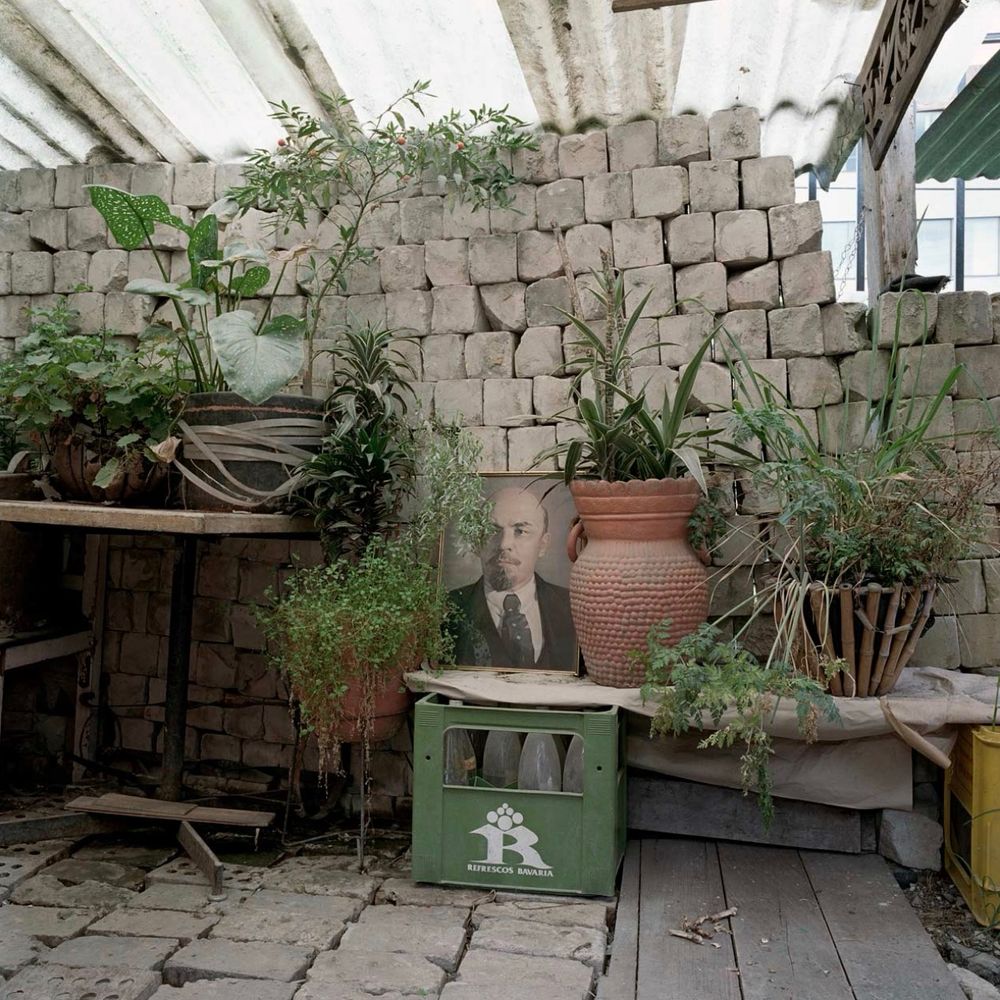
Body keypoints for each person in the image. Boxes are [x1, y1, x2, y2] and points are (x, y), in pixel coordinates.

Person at [447, 486, 576, 669]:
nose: (504, 544)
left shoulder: (575, 608)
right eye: (492, 530)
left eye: (520, 531)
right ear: (476, 541)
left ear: (543, 545)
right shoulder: (444, 610)